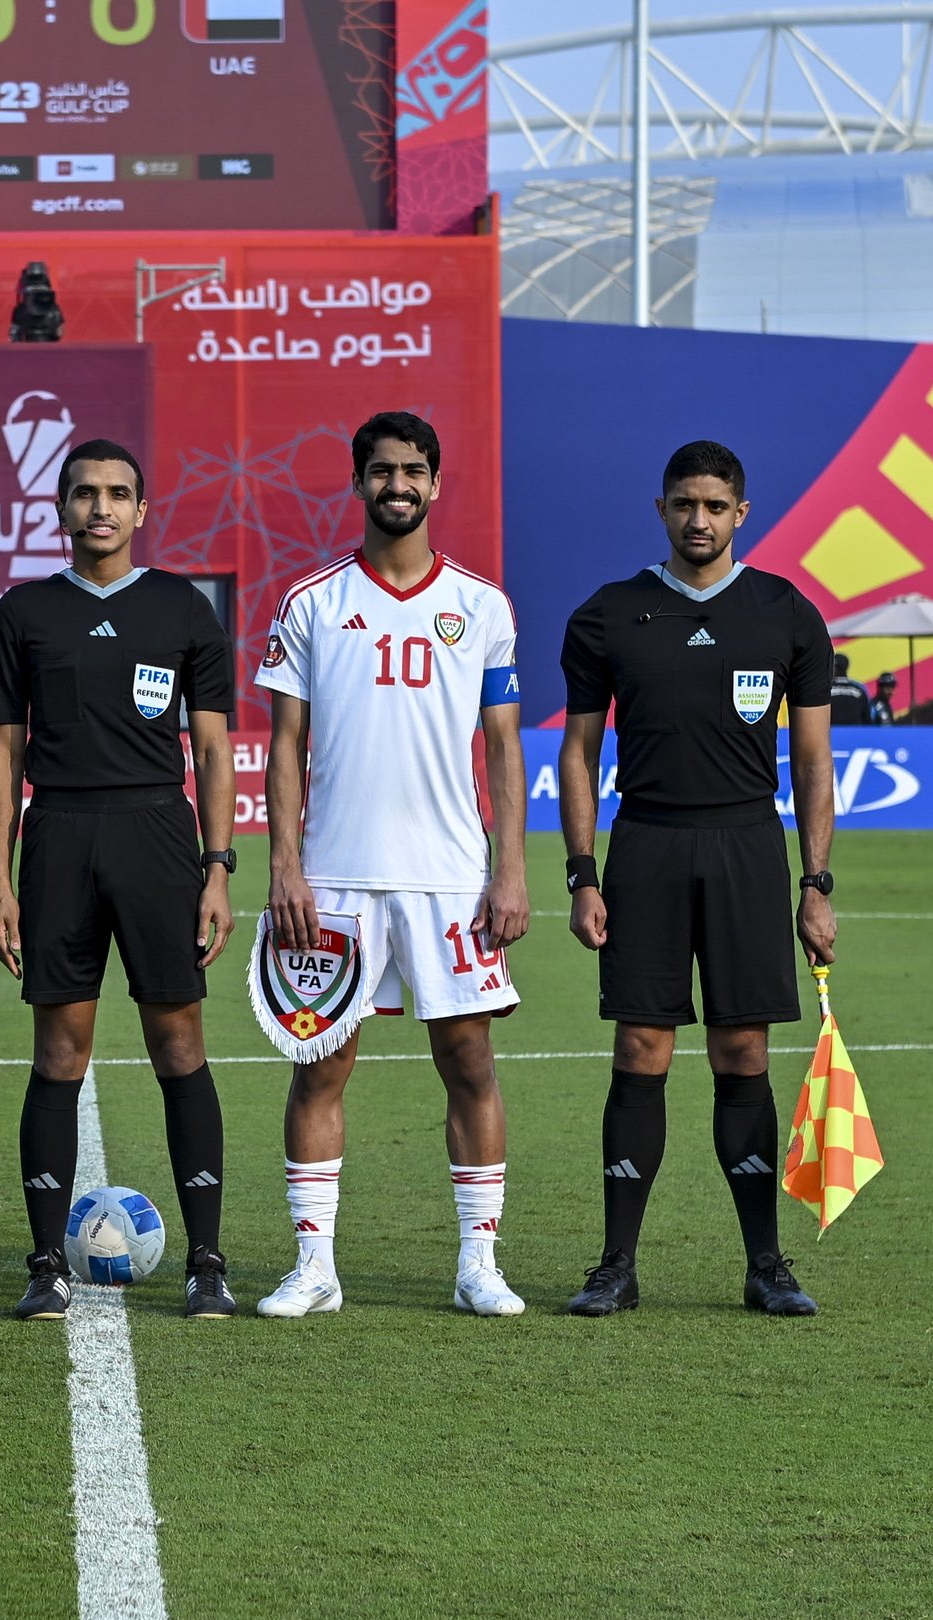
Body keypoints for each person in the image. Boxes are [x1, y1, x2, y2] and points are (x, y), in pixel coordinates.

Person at [255, 411, 531, 1320]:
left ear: (436, 484)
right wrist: (284, 867)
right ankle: (315, 1266)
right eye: (382, 471)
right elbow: (283, 746)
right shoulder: (311, 603)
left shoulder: (484, 607)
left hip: (450, 876)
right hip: (334, 873)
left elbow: (501, 750)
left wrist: (510, 870)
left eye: (414, 470)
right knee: (320, 1066)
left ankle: (477, 1265)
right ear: (358, 482)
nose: (398, 485)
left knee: (470, 1062)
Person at [558, 439, 835, 1319]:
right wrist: (582, 873)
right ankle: (616, 1266)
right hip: (646, 848)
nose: (699, 519)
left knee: (742, 1051)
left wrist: (815, 881)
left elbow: (816, 763)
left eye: (715, 506)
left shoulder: (786, 614)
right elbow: (577, 752)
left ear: (740, 513)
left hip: (749, 848)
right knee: (641, 1049)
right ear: (661, 509)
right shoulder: (610, 615)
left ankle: (766, 1266)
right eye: (684, 504)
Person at [0, 438, 239, 1321]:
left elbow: (210, 748)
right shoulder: (24, 613)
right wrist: (1, 880)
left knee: (180, 1044)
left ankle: (208, 1261)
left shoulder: (182, 608)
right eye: (84, 493)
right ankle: (46, 1262)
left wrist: (217, 864)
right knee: (60, 1051)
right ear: (60, 509)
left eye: (117, 493)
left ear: (141, 509)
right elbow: (5, 751)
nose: (101, 507)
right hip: (58, 836)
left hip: (158, 835)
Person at [826, 653, 871, 726]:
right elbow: (868, 719)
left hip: (831, 734)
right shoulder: (859, 689)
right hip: (855, 735)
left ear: (834, 668)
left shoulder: (826, 689)